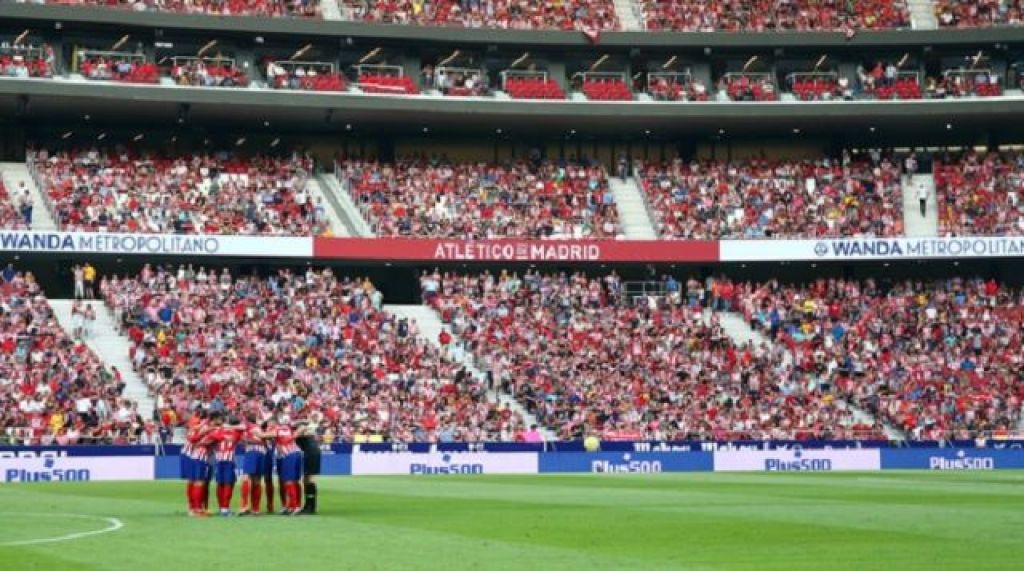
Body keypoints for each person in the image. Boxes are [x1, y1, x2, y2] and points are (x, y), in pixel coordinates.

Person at [210, 413, 243, 517]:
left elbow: (212, 435)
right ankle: (225, 508)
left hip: (219, 460)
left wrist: (221, 431)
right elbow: (243, 428)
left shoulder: (219, 430)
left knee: (220, 483)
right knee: (228, 483)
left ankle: (222, 508)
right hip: (229, 461)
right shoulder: (237, 432)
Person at [271, 415, 304, 515]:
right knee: (292, 480)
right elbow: (302, 426)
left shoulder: (278, 429)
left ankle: (294, 506)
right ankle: (293, 505)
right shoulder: (289, 427)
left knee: (288, 481)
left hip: (288, 455)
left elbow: (264, 435)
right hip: (293, 454)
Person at [238, 415, 269, 516]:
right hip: (261, 453)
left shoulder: (249, 426)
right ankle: (256, 509)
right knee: (257, 480)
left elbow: (251, 440)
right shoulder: (258, 428)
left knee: (246, 477)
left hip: (252, 451)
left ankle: (244, 507)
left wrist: (244, 440)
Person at [296, 416, 322, 515]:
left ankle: (311, 506)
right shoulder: (308, 432)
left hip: (312, 453)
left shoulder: (304, 431)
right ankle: (308, 504)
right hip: (310, 452)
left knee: (310, 478)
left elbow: (295, 435)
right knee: (305, 479)